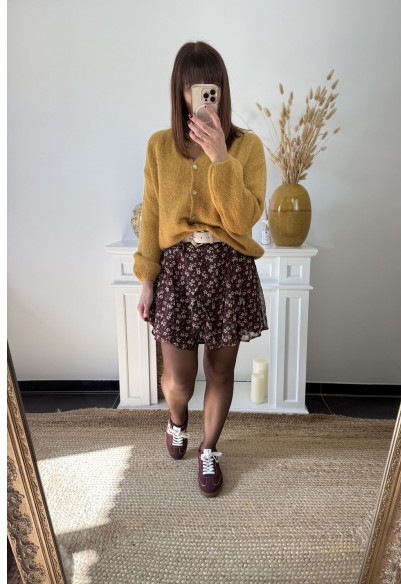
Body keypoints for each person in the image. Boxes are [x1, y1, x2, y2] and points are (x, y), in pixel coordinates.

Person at [133, 40, 268, 498]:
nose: (203, 96)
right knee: (177, 380)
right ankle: (177, 419)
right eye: (193, 87)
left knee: (220, 372)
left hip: (228, 269)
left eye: (211, 86)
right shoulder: (159, 146)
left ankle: (209, 449)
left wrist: (221, 160)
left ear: (221, 90)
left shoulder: (247, 148)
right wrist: (147, 279)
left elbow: (243, 220)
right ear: (181, 92)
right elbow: (152, 218)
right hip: (178, 271)